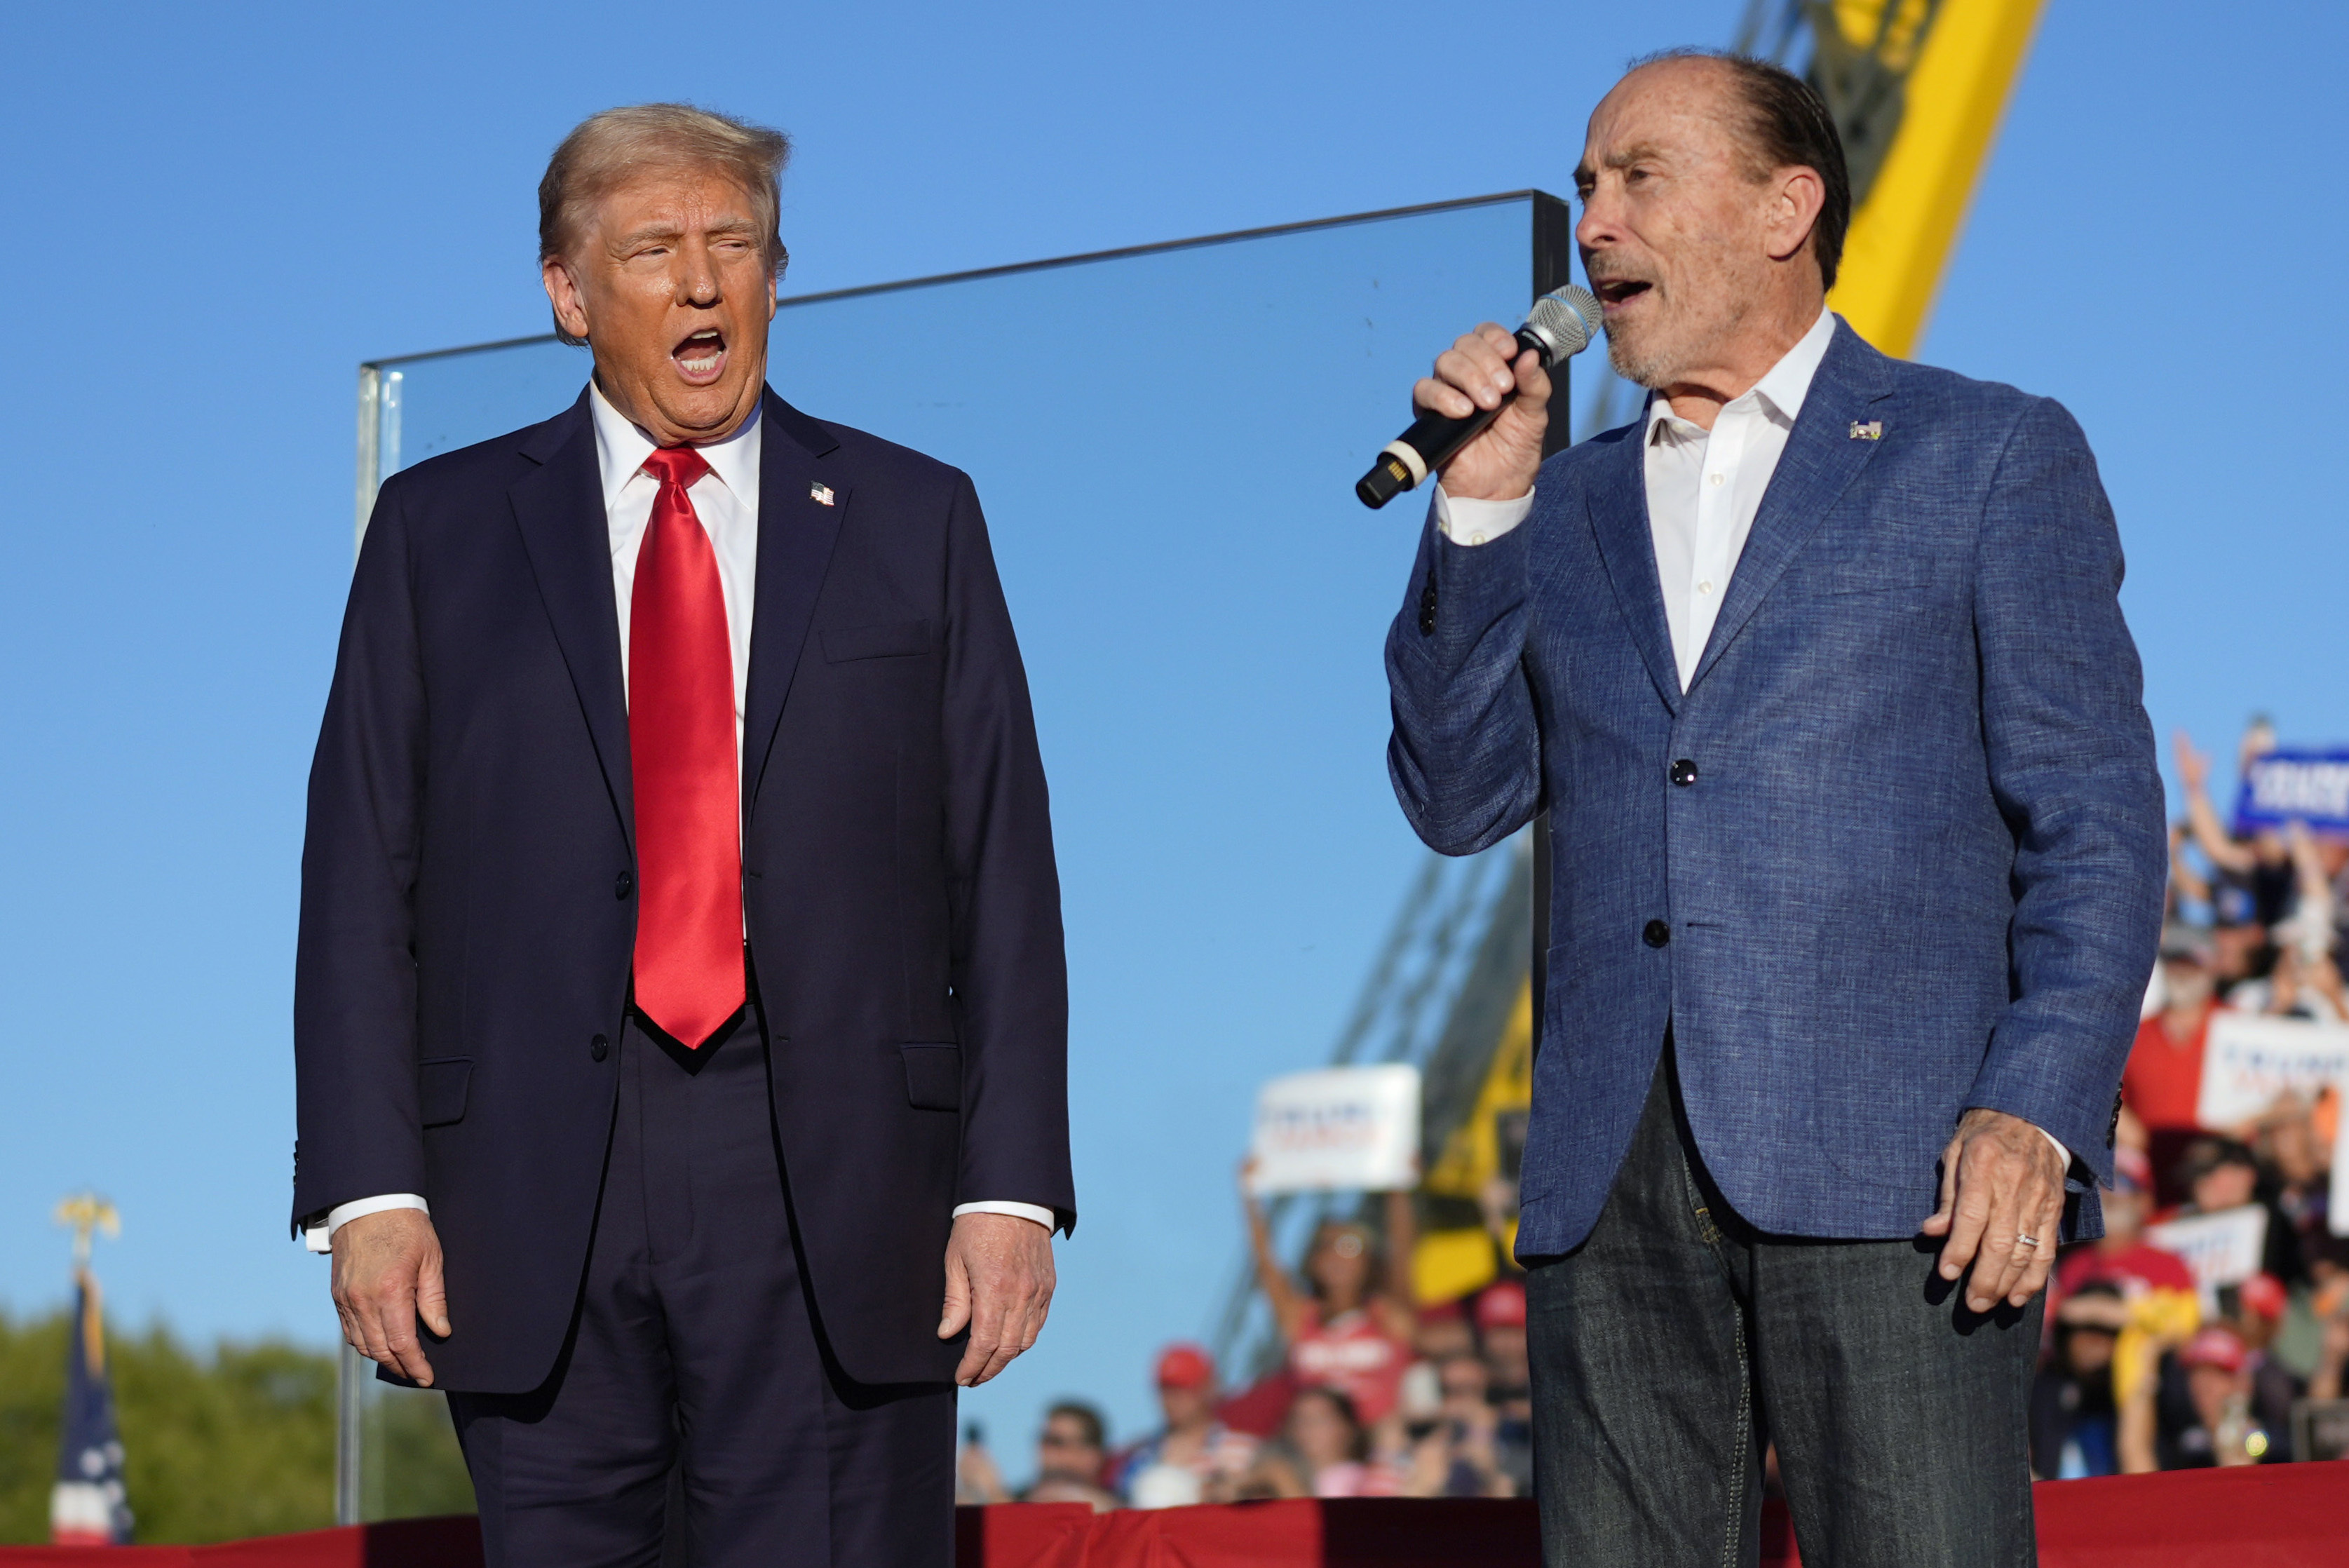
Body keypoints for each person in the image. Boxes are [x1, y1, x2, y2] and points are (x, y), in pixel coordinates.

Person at [1382, 49, 2164, 1568]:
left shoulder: (1986, 451)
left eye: (1637, 179)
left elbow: (2096, 817)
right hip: (1609, 1186)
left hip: (1905, 1170)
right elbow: (1454, 795)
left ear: (1783, 207)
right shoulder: (1564, 498)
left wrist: (2039, 1103)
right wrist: (1478, 508)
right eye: (1583, 187)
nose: (1591, 222)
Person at [292, 104, 1072, 1568]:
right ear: (569, 294)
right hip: (527, 1192)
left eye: (737, 245)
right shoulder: (435, 532)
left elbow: (1003, 872)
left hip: (846, 1192)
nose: (704, 284)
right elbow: (358, 871)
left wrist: (1009, 1184)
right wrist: (369, 1190)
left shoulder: (917, 517)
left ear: (779, 277)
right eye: (656, 249)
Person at [1240, 1169, 1419, 1425]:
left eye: (1349, 1246)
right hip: (1313, 1449)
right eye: (1325, 1245)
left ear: (1368, 1260)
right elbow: (1266, 1266)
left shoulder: (1387, 1317)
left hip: (1376, 1447)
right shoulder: (1301, 1318)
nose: (1337, 1256)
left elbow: (1403, 1254)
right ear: (1312, 1260)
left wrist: (1398, 1189)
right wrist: (1250, 1197)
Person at [1111, 1344, 1258, 1508]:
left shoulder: (1244, 1451)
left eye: (1183, 1388)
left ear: (1209, 1387)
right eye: (1165, 1389)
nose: (1172, 1399)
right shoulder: (1138, 1457)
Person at [2029, 1284, 2126, 1479]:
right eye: (2084, 1328)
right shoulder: (2039, 1390)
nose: (2094, 1340)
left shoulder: (2144, 1390)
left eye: (2108, 1331)